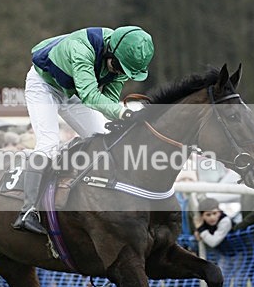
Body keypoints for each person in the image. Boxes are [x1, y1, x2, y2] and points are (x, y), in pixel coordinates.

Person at [12, 25, 155, 234]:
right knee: (49, 143)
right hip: (44, 85)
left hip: (72, 91)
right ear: (110, 51)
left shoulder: (121, 59)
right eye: (118, 66)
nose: (120, 73)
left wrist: (123, 120)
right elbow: (89, 95)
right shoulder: (82, 48)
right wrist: (124, 113)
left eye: (126, 72)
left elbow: (110, 102)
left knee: (104, 139)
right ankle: (28, 211)